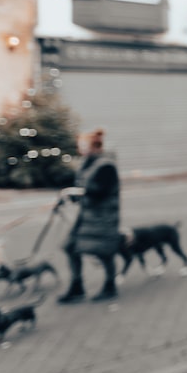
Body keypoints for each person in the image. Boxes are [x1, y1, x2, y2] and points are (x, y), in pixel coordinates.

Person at [56, 128, 122, 303]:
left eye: (83, 145)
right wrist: (74, 194)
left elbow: (100, 191)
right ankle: (77, 286)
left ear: (94, 146)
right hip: (87, 216)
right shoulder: (89, 163)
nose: (80, 149)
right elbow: (85, 187)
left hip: (103, 217)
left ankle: (110, 285)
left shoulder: (106, 165)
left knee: (103, 252)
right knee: (70, 247)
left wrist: (76, 192)